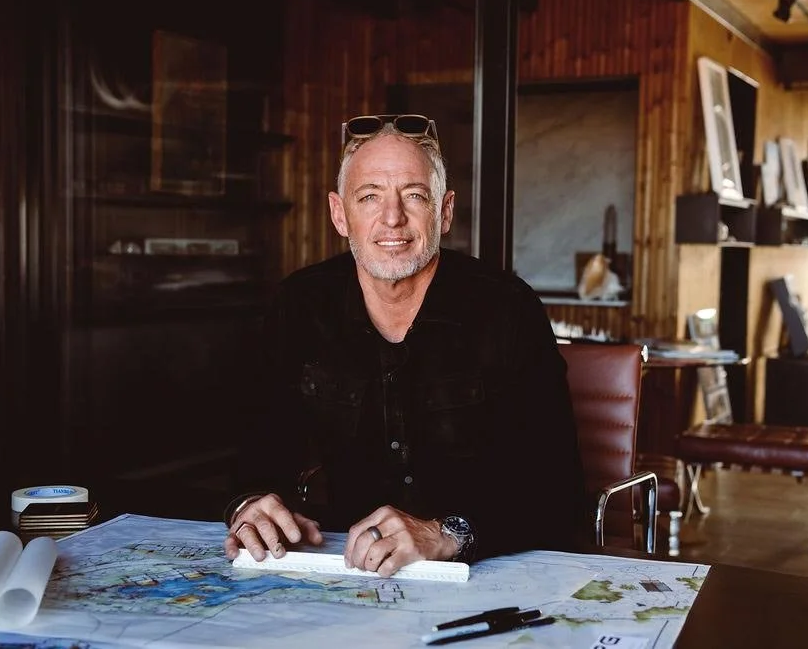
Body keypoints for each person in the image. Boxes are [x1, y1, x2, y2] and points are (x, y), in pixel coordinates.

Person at [224, 114, 586, 577]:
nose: (392, 218)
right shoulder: (299, 305)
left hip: (481, 572)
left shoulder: (507, 309)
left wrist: (447, 532)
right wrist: (251, 505)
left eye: (414, 195)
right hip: (338, 571)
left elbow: (558, 489)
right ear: (340, 214)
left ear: (445, 211)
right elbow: (254, 454)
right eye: (369, 196)